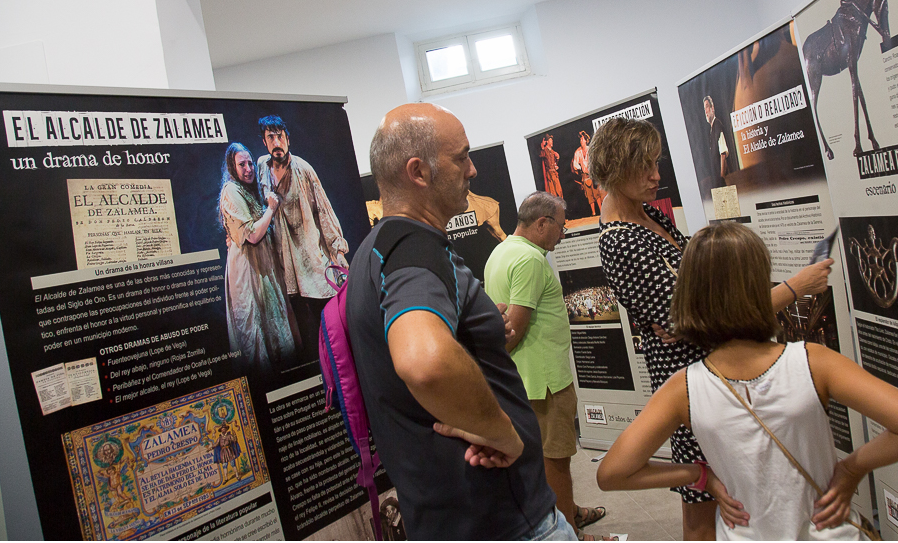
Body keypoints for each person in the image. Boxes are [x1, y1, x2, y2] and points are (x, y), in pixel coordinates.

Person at [588, 117, 834, 540]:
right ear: (616, 167)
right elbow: (693, 319)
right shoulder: (619, 240)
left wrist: (688, 315)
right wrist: (794, 289)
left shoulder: (647, 213)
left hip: (711, 361)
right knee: (702, 497)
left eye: (656, 163)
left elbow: (692, 306)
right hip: (690, 380)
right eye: (645, 166)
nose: (655, 176)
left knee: (731, 489)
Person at [346, 103, 571, 540]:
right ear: (419, 172)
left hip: (452, 516)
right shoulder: (413, 249)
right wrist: (503, 433)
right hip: (503, 520)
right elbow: (424, 361)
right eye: (461, 156)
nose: (472, 169)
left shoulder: (374, 249)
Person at [597, 221, 898, 540]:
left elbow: (612, 473)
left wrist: (701, 476)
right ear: (759, 286)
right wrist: (852, 469)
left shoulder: (683, 388)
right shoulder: (813, 361)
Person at [484, 191, 606, 541]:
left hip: (525, 380)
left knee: (545, 462)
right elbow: (515, 328)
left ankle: (569, 513)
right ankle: (572, 532)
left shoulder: (501, 252)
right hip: (545, 382)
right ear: (542, 223)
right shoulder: (530, 260)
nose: (563, 234)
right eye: (560, 227)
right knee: (557, 461)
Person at [256, 115, 349, 360]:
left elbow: (324, 210)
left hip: (310, 253)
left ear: (288, 139)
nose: (276, 142)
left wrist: (337, 249)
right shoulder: (261, 168)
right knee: (300, 323)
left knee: (323, 315)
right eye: (271, 138)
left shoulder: (303, 169)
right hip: (284, 258)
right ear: (264, 142)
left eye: (280, 137)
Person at [218, 142, 300, 373]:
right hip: (248, 270)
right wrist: (271, 209)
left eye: (249, 163)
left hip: (261, 267)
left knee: (272, 323)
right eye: (241, 164)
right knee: (255, 325)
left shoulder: (247, 190)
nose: (248, 169)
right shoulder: (231, 191)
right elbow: (252, 235)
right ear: (232, 168)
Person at [572, 131, 604, 215]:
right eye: (580, 139)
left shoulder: (590, 149)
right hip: (584, 175)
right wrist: (580, 169)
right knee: (589, 195)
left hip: (592, 174)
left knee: (596, 193)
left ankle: (601, 211)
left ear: (586, 140)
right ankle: (593, 212)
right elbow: (575, 164)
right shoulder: (578, 152)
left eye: (582, 139)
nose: (581, 141)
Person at [703, 96, 729, 188]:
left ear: (712, 108)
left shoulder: (717, 124)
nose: (705, 111)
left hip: (720, 180)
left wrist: (721, 177)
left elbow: (723, 153)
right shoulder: (711, 128)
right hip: (716, 179)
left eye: (707, 106)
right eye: (704, 108)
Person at [541, 134, 564, 198]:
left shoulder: (553, 151)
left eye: (552, 140)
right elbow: (541, 155)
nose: (552, 142)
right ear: (547, 141)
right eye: (550, 140)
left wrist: (557, 158)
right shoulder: (545, 150)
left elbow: (555, 163)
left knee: (559, 191)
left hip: (555, 174)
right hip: (550, 175)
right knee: (552, 193)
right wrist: (542, 147)